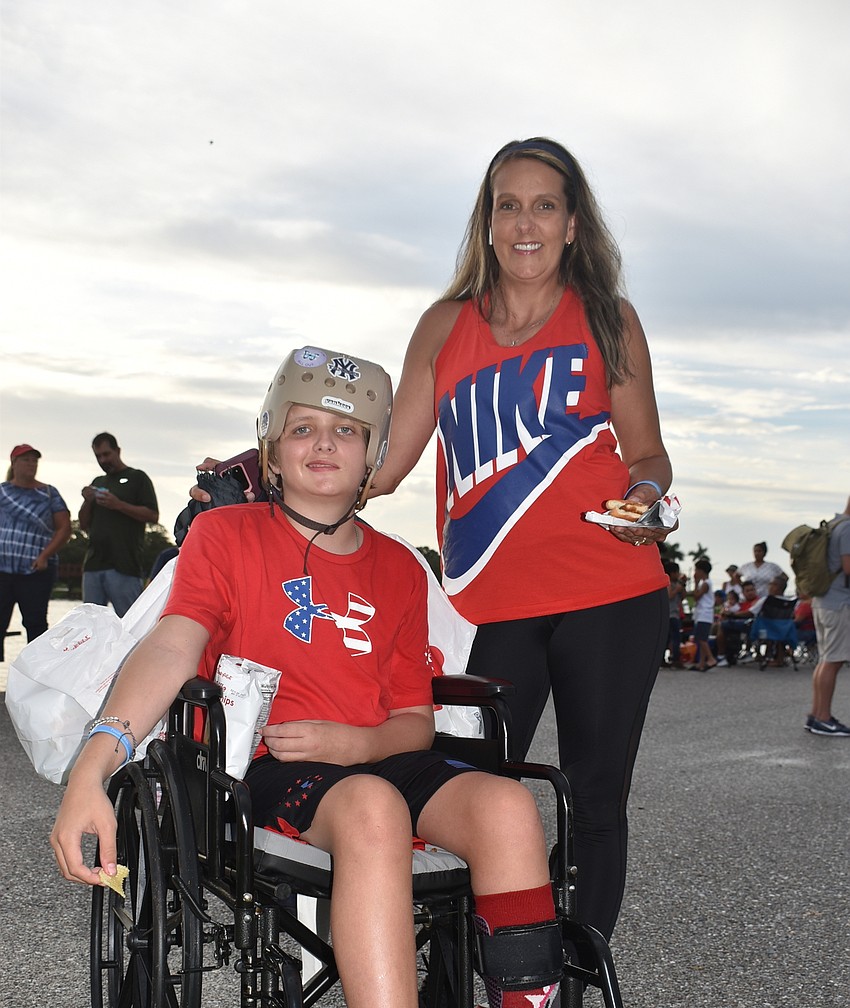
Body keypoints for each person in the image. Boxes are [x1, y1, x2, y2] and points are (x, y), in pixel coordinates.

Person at [51, 346, 657, 1008]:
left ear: (375, 454)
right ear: (272, 443)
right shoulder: (227, 538)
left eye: (346, 431)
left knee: (506, 808)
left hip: (368, 755)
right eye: (303, 427)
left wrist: (358, 742)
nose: (323, 444)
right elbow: (173, 648)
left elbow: (413, 721)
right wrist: (96, 765)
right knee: (373, 808)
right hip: (274, 766)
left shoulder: (396, 570)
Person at [191, 138, 674, 942]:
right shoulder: (446, 327)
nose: (525, 223)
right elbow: (381, 469)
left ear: (573, 224)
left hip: (612, 590)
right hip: (488, 604)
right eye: (507, 205)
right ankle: (468, 993)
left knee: (594, 798)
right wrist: (265, 470)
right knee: (464, 794)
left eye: (544, 205)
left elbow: (647, 450)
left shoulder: (608, 320)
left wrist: (648, 495)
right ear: (487, 223)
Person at [0, 444, 71, 660]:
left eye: (34, 460)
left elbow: (65, 528)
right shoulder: (3, 491)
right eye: (26, 460)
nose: (31, 464)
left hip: (35, 571)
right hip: (2, 570)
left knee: (35, 623)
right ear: (13, 463)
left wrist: (44, 556)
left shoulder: (48, 493)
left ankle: (38, 678)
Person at [79, 433, 158, 616]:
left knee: (131, 624)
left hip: (125, 566)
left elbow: (153, 515)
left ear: (118, 451)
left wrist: (119, 505)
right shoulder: (98, 482)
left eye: (106, 454)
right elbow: (83, 524)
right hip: (93, 565)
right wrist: (87, 501)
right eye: (98, 456)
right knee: (89, 628)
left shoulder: (138, 478)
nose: (103, 460)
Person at [806, 497, 850, 736]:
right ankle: (823, 717)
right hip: (839, 603)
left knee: (826, 660)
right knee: (833, 661)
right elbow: (848, 567)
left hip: (822, 600)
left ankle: (816, 714)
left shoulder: (833, 525)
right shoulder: (848, 528)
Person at [689, 558, 717, 671]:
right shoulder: (706, 583)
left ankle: (711, 658)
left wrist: (695, 583)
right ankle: (701, 663)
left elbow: (696, 597)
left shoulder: (705, 584)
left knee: (702, 639)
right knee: (702, 638)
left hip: (704, 614)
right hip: (703, 614)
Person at [662, 559, 685, 667]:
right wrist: (677, 589)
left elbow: (682, 598)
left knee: (675, 638)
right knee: (669, 638)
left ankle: (675, 657)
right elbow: (669, 596)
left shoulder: (677, 583)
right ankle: (671, 659)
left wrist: (682, 586)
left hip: (675, 614)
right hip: (670, 615)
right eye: (676, 572)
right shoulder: (668, 583)